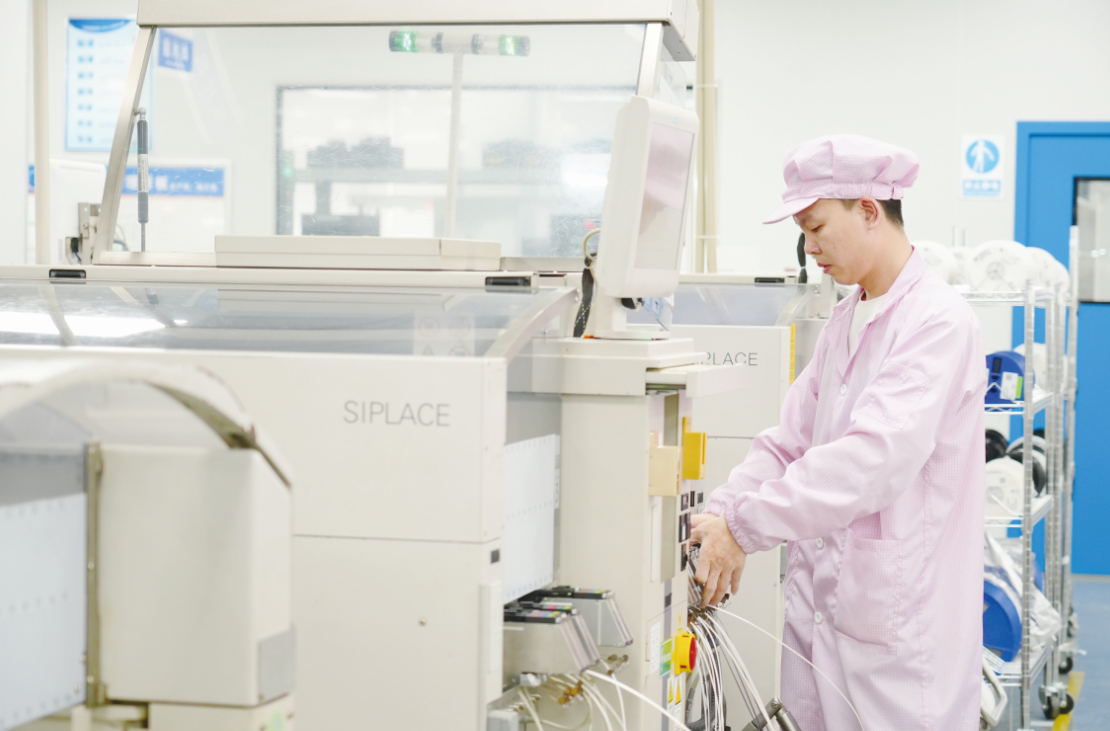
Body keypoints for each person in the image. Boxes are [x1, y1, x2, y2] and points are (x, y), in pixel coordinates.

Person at [691, 135, 985, 730]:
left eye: (817, 226)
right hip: (828, 620)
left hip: (901, 640)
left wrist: (743, 528)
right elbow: (788, 443)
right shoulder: (846, 319)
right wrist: (717, 516)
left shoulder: (937, 322)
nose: (809, 246)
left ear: (869, 210)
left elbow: (872, 461)